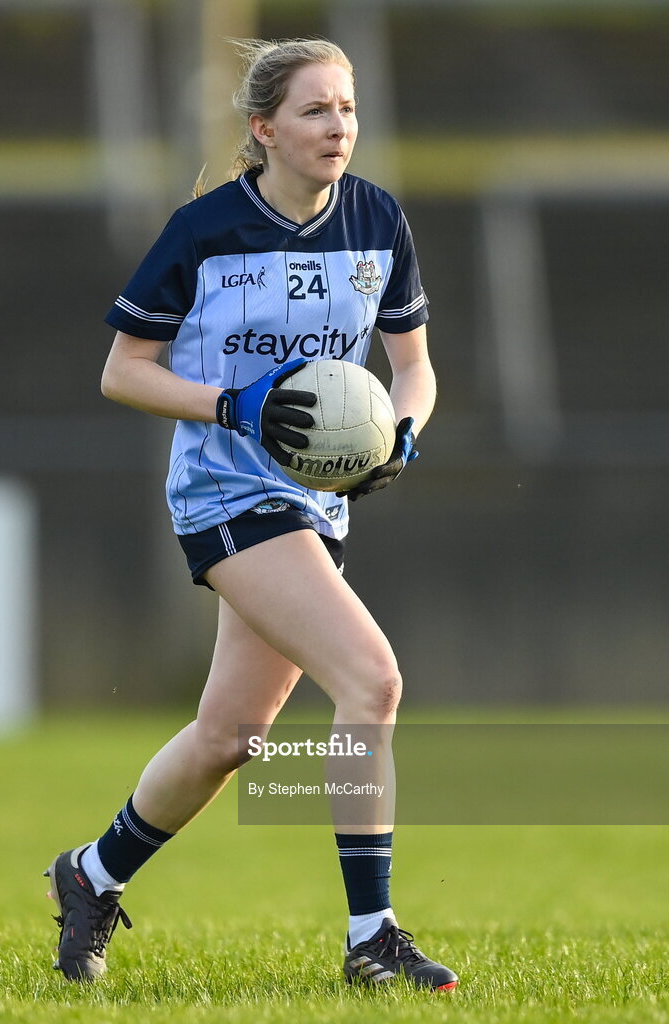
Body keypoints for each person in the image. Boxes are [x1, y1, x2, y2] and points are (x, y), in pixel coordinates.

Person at [44, 36, 458, 993]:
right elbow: (123, 374)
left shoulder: (376, 219)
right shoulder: (205, 230)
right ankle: (372, 941)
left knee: (229, 736)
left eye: (347, 109)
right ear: (264, 129)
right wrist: (234, 405)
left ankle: (90, 874)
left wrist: (398, 433)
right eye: (316, 111)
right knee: (372, 681)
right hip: (224, 492)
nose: (339, 127)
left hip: (313, 502)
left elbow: (415, 367)